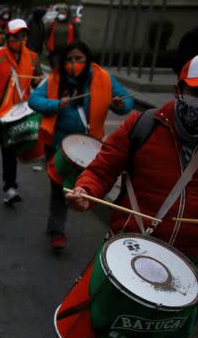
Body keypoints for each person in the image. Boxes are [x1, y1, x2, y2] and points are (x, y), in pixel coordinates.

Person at [64, 54, 198, 338]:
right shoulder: (142, 127)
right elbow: (103, 168)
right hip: (131, 252)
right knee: (109, 322)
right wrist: (86, 189)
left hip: (185, 270)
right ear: (180, 91)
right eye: (196, 94)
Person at [29, 41, 132, 252]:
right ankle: (58, 231)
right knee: (59, 188)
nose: (73, 64)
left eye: (79, 59)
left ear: (88, 59)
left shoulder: (103, 77)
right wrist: (56, 104)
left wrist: (120, 104)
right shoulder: (55, 78)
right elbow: (33, 100)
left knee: (81, 187)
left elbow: (126, 101)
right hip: (58, 144)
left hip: (89, 146)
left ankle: (57, 223)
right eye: (69, 60)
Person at [0, 19, 43, 205]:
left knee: (10, 150)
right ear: (8, 37)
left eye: (23, 36)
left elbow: (37, 82)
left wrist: (39, 81)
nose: (20, 39)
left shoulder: (34, 58)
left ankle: (11, 188)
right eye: (16, 36)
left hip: (17, 114)